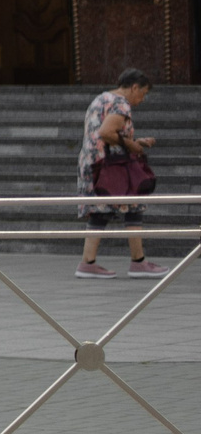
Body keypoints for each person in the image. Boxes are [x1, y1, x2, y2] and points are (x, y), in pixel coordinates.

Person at [77, 69, 166, 279]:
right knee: (133, 205)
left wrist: (134, 142)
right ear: (134, 87)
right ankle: (138, 263)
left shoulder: (101, 98)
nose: (141, 100)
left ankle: (87, 263)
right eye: (142, 94)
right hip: (112, 165)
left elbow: (103, 131)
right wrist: (133, 147)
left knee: (100, 210)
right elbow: (106, 133)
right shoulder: (121, 103)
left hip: (93, 163)